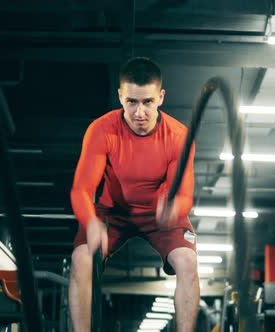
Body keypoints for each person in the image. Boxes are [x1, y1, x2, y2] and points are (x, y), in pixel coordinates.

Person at [69, 57, 199, 331]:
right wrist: (92, 223)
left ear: (161, 97)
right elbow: (81, 189)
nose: (140, 112)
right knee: (81, 259)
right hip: (111, 214)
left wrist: (174, 209)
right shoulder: (101, 130)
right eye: (132, 102)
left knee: (187, 262)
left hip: (160, 215)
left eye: (148, 102)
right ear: (120, 96)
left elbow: (185, 195)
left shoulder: (179, 137)